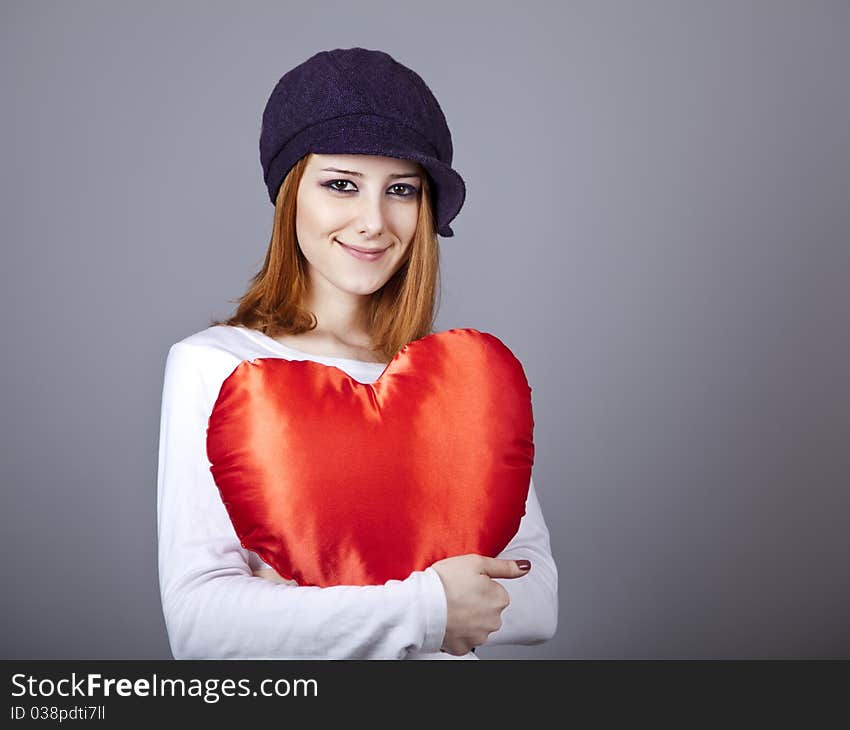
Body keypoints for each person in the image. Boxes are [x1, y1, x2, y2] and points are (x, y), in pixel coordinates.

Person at [156, 47, 558, 659]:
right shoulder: (215, 364)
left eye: (401, 189)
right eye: (342, 185)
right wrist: (431, 607)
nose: (372, 220)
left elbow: (540, 599)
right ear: (291, 194)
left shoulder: (463, 382)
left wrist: (302, 599)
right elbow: (200, 627)